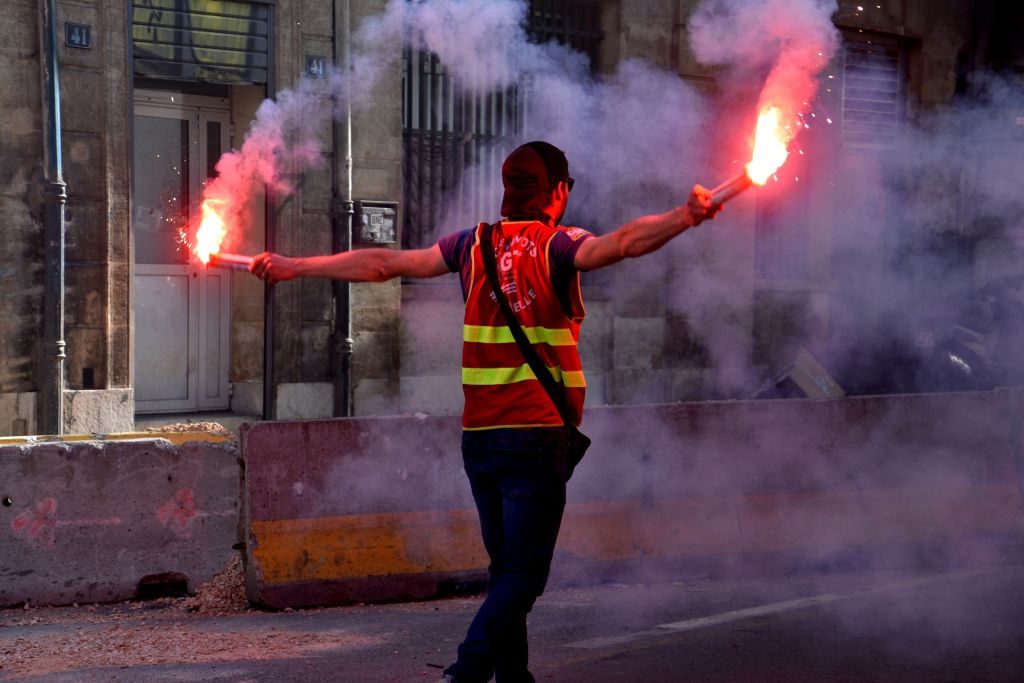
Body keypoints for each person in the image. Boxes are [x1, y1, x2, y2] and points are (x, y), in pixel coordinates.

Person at [250, 141, 716, 682]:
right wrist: (686, 215)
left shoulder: (473, 244)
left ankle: (513, 678)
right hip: (536, 435)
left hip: (481, 437)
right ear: (559, 191)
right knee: (525, 575)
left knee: (506, 572)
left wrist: (293, 265)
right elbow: (624, 244)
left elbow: (382, 264)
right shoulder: (557, 244)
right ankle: (466, 671)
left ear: (507, 189)